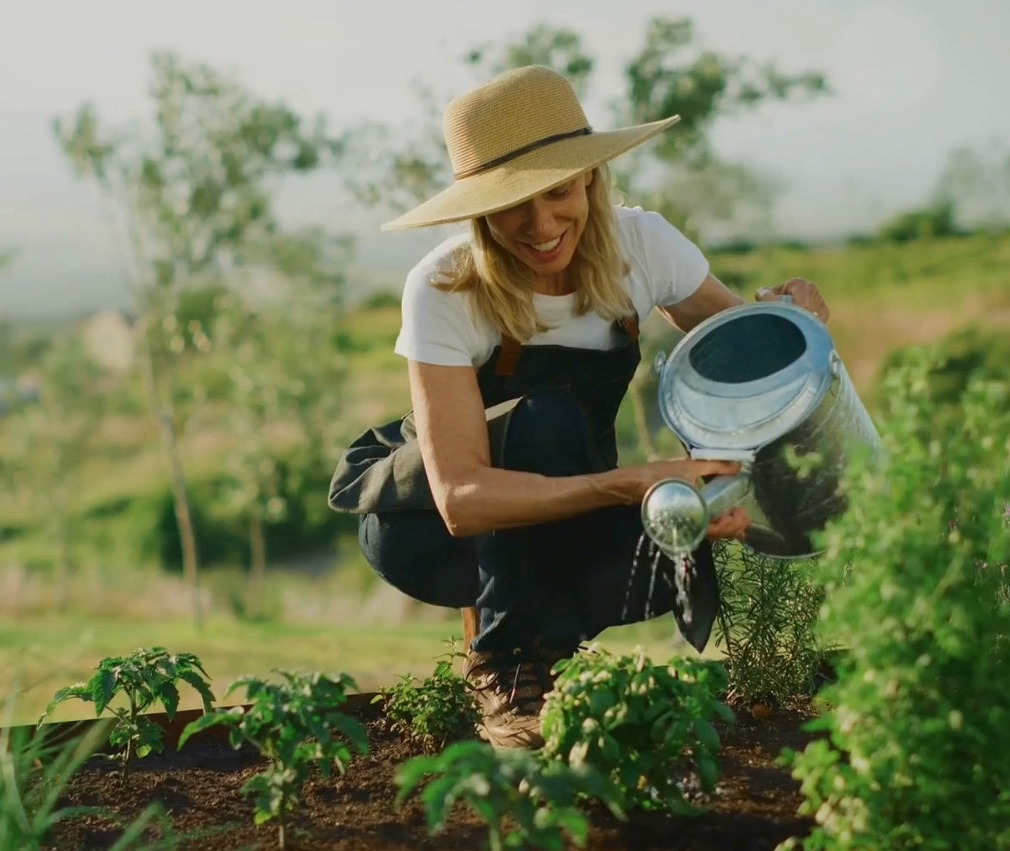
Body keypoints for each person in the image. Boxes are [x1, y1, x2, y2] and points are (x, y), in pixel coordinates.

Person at [327, 65, 832, 749]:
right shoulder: (443, 288)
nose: (541, 226)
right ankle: (506, 666)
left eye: (559, 191)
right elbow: (462, 500)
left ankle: (548, 661)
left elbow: (745, 356)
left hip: (566, 507)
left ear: (591, 179)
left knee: (681, 543)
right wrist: (628, 482)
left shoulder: (642, 246)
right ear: (478, 211)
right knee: (550, 420)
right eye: (513, 205)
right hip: (432, 533)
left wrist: (792, 319)